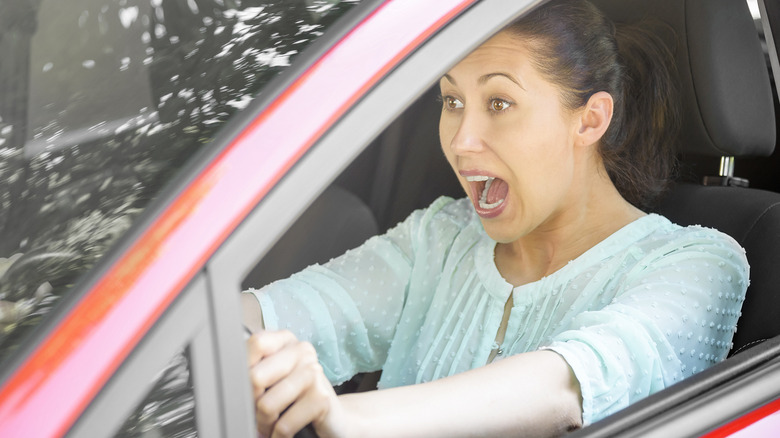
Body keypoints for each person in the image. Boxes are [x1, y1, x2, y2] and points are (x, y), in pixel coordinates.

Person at [241, 1, 749, 436]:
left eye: (499, 102)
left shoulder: (697, 265)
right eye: (453, 101)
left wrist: (347, 420)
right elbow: (288, 310)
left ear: (590, 119)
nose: (461, 141)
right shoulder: (440, 238)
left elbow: (567, 385)